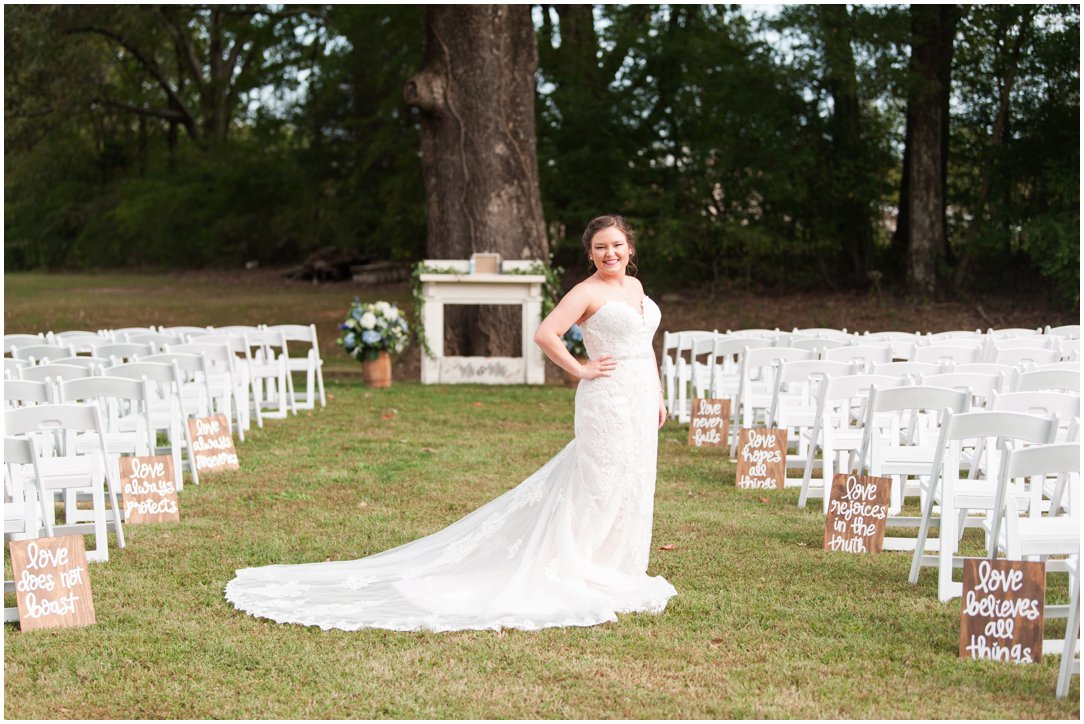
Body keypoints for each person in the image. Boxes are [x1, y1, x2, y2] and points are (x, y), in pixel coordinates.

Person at [225, 215, 676, 632]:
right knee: (600, 481)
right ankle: (579, 566)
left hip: (639, 396)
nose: (610, 253)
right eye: (601, 247)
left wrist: (656, 394)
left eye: (617, 245)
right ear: (590, 253)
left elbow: (642, 346)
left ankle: (617, 567)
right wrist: (580, 369)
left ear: (629, 247)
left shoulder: (635, 287)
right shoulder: (586, 291)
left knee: (634, 481)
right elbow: (545, 334)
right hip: (606, 399)